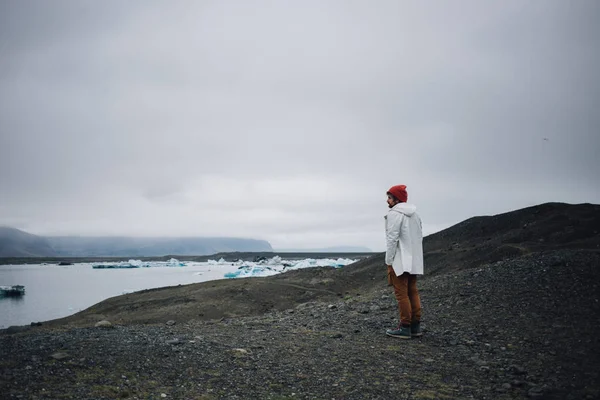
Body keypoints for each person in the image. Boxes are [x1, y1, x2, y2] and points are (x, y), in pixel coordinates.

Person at [384, 184, 424, 339]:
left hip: (400, 260)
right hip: (414, 259)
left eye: (389, 197)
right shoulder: (415, 215)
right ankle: (415, 325)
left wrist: (389, 261)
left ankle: (405, 327)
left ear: (396, 199)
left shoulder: (395, 214)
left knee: (401, 294)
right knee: (412, 291)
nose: (387, 201)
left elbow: (392, 238)